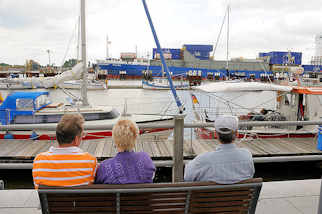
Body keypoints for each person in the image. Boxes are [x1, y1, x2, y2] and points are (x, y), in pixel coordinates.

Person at [32, 113, 97, 188]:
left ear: (57, 137)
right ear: (76, 139)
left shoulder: (39, 160)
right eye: (82, 135)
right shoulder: (90, 161)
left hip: (50, 199)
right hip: (78, 199)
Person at [184, 115, 254, 184]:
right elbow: (251, 174)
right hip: (241, 195)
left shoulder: (202, 160)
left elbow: (187, 178)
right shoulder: (247, 156)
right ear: (237, 134)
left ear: (215, 134)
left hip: (209, 195)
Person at [95, 119, 155, 184]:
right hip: (144, 194)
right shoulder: (145, 158)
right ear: (135, 138)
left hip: (116, 194)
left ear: (114, 139)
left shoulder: (104, 167)